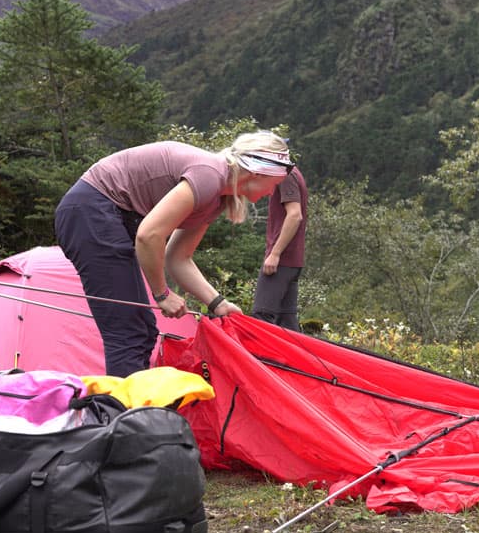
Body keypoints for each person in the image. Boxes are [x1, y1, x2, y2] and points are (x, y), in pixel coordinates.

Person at [54, 131, 293, 377]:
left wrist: (219, 304)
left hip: (108, 215)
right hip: (90, 210)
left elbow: (178, 258)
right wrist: (162, 294)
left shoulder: (216, 198)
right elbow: (149, 235)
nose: (271, 193)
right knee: (128, 332)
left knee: (143, 331)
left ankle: (130, 409)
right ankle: (123, 413)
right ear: (257, 173)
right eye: (274, 184)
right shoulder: (209, 175)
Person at [252, 164, 308, 329]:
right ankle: (298, 356)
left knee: (262, 316)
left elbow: (295, 215)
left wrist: (275, 253)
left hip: (282, 260)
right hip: (291, 260)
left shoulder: (286, 175)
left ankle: (262, 355)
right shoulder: (293, 172)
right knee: (287, 322)